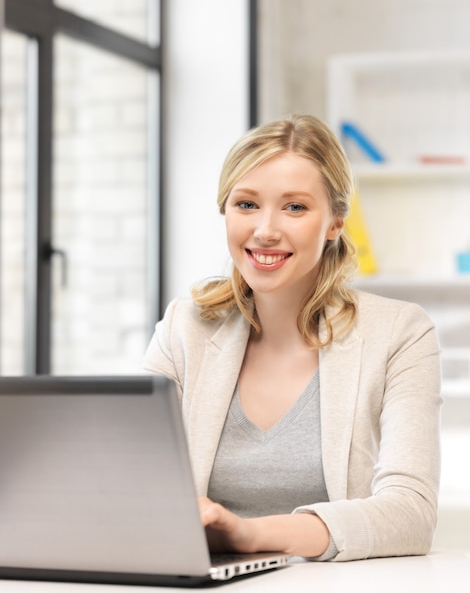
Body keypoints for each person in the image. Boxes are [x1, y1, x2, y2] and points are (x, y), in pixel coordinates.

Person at [142, 113, 441, 562]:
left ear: (336, 223)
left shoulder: (400, 333)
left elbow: (411, 514)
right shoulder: (184, 329)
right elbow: (131, 486)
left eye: (295, 207)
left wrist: (248, 534)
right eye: (246, 204)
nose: (265, 229)